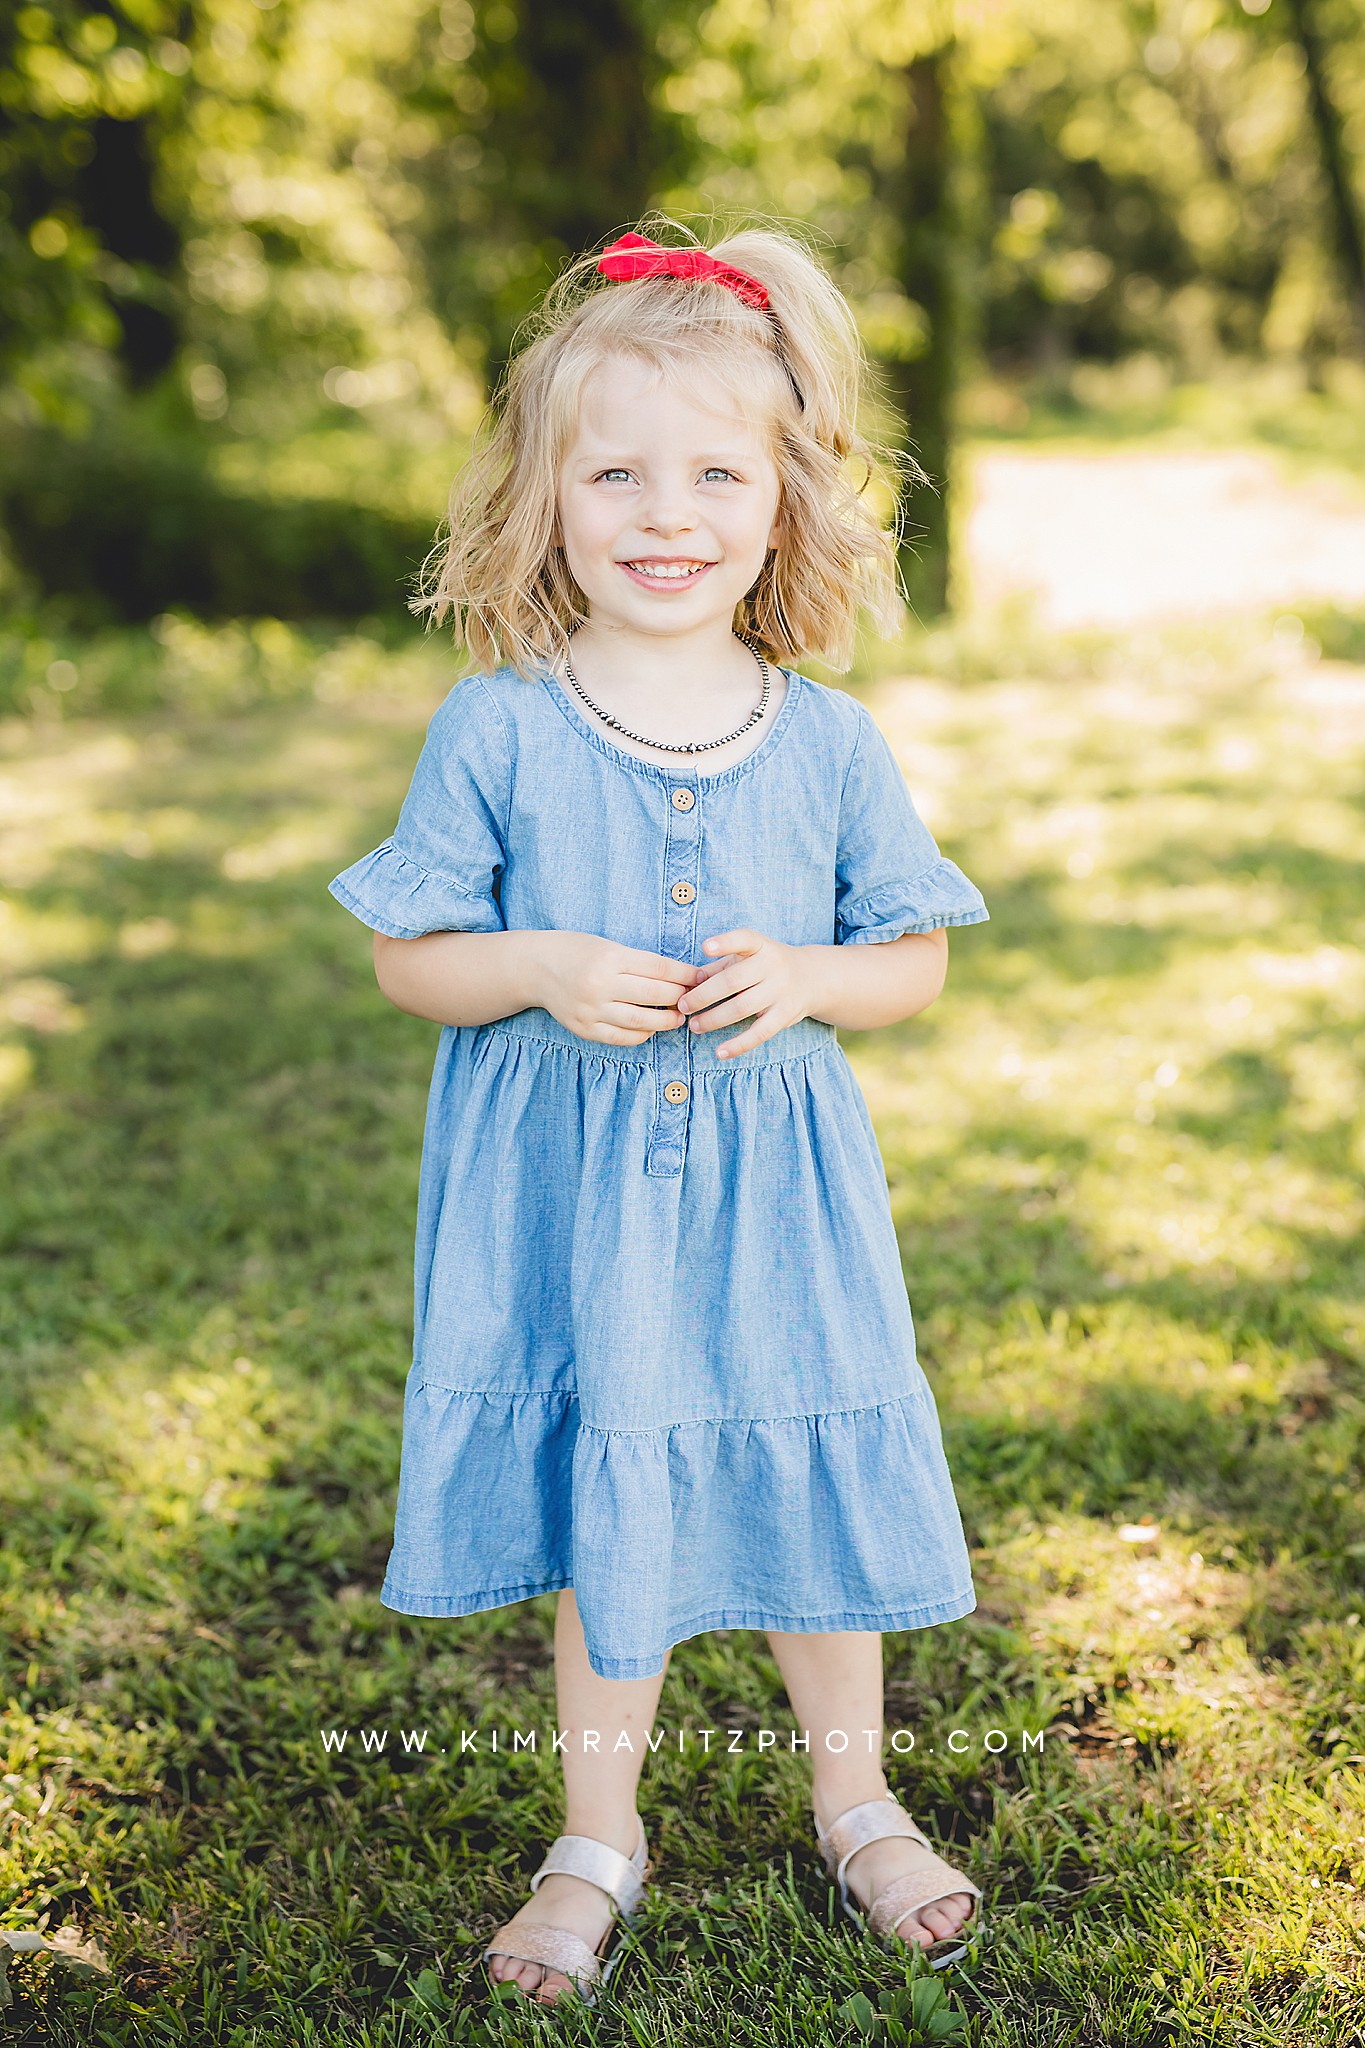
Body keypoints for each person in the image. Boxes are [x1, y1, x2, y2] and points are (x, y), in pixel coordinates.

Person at [327, 219, 990, 2009]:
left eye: (714, 471)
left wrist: (816, 981)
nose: (663, 510)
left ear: (787, 499)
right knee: (607, 1474)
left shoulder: (830, 741)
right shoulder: (499, 728)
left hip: (778, 1199)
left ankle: (854, 1799)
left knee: (802, 1461)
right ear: (542, 498)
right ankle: (593, 1836)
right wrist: (535, 958)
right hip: (571, 1201)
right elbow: (413, 960)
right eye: (611, 472)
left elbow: (910, 961)